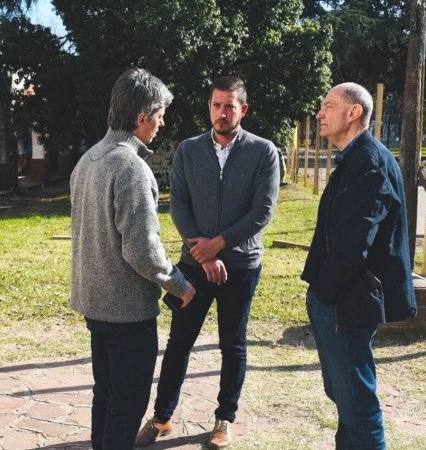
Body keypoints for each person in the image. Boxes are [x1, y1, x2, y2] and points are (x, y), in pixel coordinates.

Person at [136, 76, 279, 449]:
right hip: (194, 265)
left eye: (230, 105)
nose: (222, 112)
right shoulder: (188, 150)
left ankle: (224, 419)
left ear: (242, 109)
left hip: (241, 265)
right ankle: (162, 417)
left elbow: (262, 211)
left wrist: (219, 245)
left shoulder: (264, 152)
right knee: (179, 342)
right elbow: (178, 205)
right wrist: (202, 252)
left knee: (233, 344)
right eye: (216, 105)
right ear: (209, 107)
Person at [69, 67, 196, 450]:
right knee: (126, 406)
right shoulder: (130, 167)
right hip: (127, 313)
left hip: (96, 304)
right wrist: (179, 283)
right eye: (159, 116)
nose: (161, 123)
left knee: (105, 395)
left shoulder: (89, 158)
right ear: (142, 117)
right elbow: (141, 249)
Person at [301, 82, 417, 449]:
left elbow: (354, 243)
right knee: (345, 399)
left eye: (328, 106)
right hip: (339, 298)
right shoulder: (354, 158)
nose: (320, 113)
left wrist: (325, 293)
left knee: (357, 403)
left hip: (346, 301)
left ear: (354, 113)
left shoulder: (370, 162)